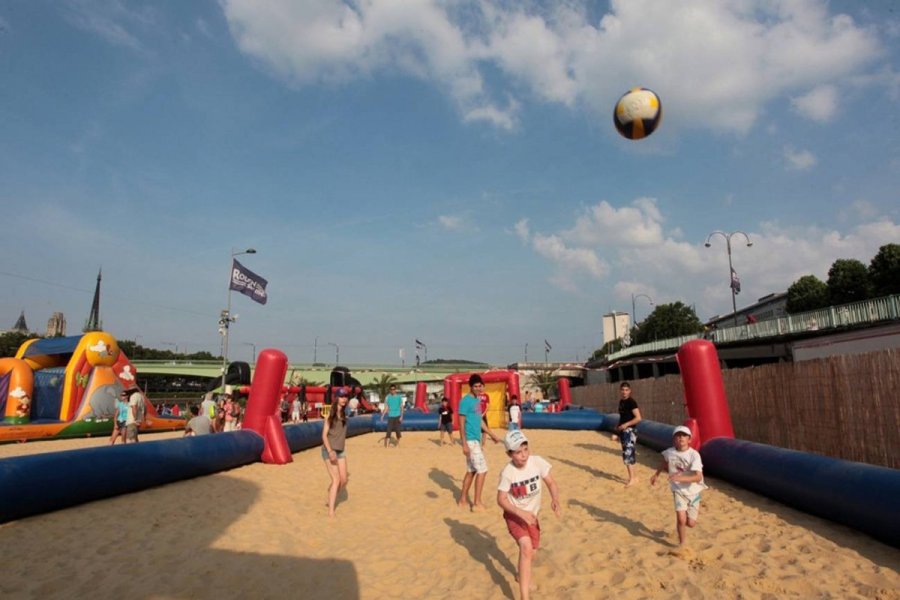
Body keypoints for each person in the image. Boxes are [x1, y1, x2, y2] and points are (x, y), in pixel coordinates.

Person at [497, 430, 561, 600]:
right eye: (518, 452)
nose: (523, 455)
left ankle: (521, 575)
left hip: (532, 517)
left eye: (525, 449)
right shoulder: (508, 472)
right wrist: (520, 513)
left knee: (532, 552)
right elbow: (501, 499)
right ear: (509, 454)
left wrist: (555, 499)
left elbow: (551, 482)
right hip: (514, 516)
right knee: (525, 548)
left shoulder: (537, 462)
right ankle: (524, 597)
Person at [650, 425, 708, 548]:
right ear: (673, 439)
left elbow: (698, 477)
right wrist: (656, 474)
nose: (680, 437)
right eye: (677, 435)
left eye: (684, 435)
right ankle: (682, 544)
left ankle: (688, 516)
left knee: (690, 523)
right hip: (678, 490)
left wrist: (680, 478)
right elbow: (664, 462)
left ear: (689, 439)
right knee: (681, 519)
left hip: (693, 491)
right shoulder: (670, 452)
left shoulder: (694, 455)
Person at [458, 374, 500, 511]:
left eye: (479, 386)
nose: (478, 388)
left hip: (476, 439)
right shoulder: (465, 401)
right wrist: (464, 444)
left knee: (471, 471)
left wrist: (491, 434)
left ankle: (462, 499)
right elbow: (461, 423)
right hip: (470, 441)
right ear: (470, 387)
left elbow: (480, 421)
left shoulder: (477, 401)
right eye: (475, 386)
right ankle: (477, 502)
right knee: (482, 470)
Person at [322, 389, 350, 517]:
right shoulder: (330, 415)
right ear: (336, 398)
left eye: (346, 396)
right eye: (342, 396)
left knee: (344, 480)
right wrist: (330, 451)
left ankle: (331, 494)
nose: (344, 399)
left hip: (341, 450)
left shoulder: (345, 413)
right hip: (330, 450)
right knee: (336, 479)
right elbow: (324, 435)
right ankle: (331, 511)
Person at [615, 381, 642, 487]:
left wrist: (626, 425)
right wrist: (618, 427)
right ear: (620, 391)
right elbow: (622, 417)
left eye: (626, 390)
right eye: (622, 390)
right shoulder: (621, 402)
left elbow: (638, 418)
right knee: (629, 453)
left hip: (630, 431)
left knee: (627, 454)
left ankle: (632, 478)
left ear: (630, 391)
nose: (624, 392)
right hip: (623, 431)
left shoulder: (632, 402)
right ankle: (634, 477)